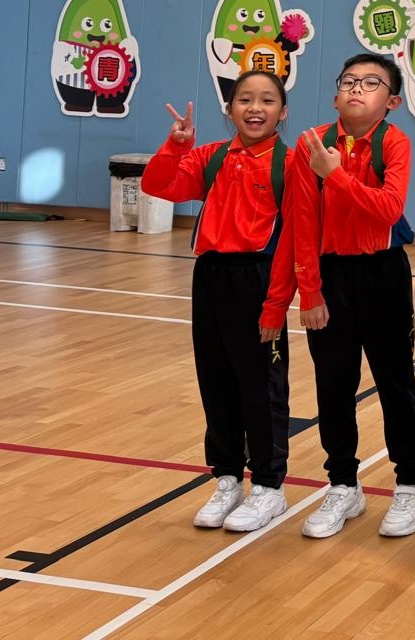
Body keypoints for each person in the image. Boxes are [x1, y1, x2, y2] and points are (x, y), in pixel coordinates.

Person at [261, 53, 415, 540]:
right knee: (333, 386)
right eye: (349, 80)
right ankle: (342, 484)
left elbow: (388, 209)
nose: (357, 88)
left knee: (396, 383)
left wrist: (334, 174)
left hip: (383, 274)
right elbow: (301, 224)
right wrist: (309, 292)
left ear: (392, 102)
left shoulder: (394, 143)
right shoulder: (311, 144)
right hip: (329, 277)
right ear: (335, 95)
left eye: (372, 83)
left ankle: (410, 484)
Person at [142, 71, 297, 532]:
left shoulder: (291, 164)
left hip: (260, 277)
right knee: (216, 381)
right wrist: (176, 146)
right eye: (244, 99)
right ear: (229, 109)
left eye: (267, 100)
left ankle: (269, 485)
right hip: (210, 276)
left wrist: (278, 301)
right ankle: (227, 477)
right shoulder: (209, 156)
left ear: (282, 112)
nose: (255, 108)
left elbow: (299, 238)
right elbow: (158, 185)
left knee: (262, 386)